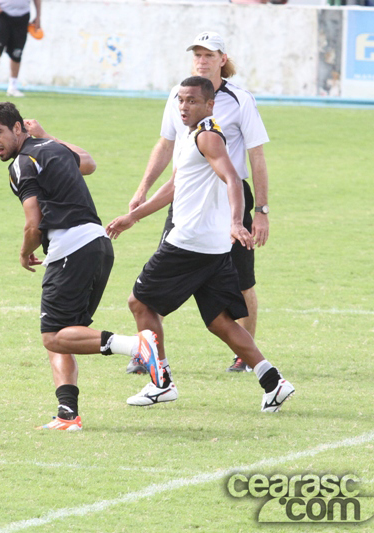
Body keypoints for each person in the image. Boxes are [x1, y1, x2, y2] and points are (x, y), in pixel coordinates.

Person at [106, 77, 294, 412]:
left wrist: (238, 221)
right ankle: (273, 382)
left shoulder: (207, 136)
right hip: (211, 245)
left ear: (209, 105)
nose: (183, 106)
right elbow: (176, 185)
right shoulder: (191, 135)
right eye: (180, 99)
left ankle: (160, 382)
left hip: (189, 242)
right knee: (219, 320)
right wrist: (133, 217)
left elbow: (234, 178)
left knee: (140, 303)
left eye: (192, 100)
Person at [0, 101, 160, 430]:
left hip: (70, 251)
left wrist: (24, 253)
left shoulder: (21, 164)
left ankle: (137, 345)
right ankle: (67, 414)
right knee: (65, 334)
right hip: (98, 246)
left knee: (52, 337)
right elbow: (88, 163)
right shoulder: (54, 147)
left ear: (18, 128)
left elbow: (33, 223)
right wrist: (47, 134)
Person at [127, 31, 270, 374]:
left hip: (229, 201)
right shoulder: (180, 95)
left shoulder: (240, 100)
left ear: (223, 59)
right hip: (185, 195)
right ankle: (149, 353)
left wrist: (261, 211)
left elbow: (256, 156)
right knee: (161, 271)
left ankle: (245, 356)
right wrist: (143, 187)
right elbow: (165, 144)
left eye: (210, 54)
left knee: (242, 279)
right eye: (198, 54)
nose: (202, 60)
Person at [0, 0, 41, 99]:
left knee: (17, 53)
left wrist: (38, 16)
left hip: (23, 15)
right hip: (2, 13)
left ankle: (13, 87)